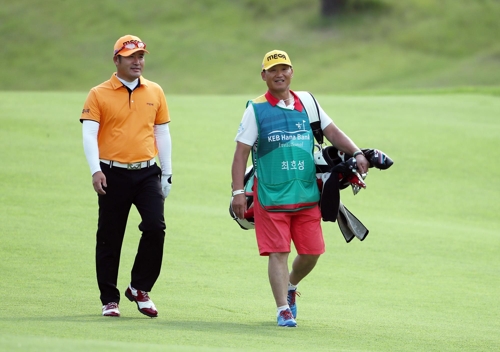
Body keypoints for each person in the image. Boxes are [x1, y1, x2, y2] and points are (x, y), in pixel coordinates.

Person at [230, 50, 369, 327]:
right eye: (273, 70)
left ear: (292, 72)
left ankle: (291, 287)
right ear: (264, 76)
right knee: (278, 252)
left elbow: (333, 132)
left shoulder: (307, 102)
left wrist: (357, 152)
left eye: (284, 68)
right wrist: (237, 193)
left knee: (312, 253)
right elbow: (240, 154)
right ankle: (283, 308)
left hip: (307, 194)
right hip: (270, 196)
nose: (279, 74)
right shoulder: (255, 109)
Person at [80, 34, 172, 318]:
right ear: (116, 59)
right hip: (111, 173)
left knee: (156, 227)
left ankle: (139, 288)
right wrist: (95, 169)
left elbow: (162, 132)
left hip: (147, 172)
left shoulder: (155, 91)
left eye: (141, 56)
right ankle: (109, 299)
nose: (137, 61)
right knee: (110, 236)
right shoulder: (99, 93)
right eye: (131, 56)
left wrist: (166, 172)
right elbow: (89, 133)